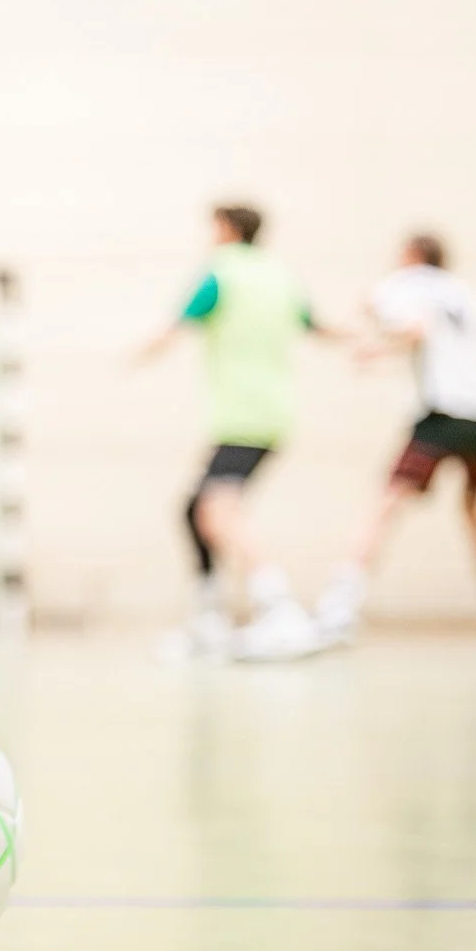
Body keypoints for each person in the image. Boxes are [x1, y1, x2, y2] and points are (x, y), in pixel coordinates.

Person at [135, 203, 327, 661]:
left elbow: (178, 323)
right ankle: (209, 619)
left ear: (227, 229)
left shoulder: (221, 272)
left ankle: (281, 610)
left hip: (244, 415)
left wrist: (140, 352)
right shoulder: (280, 275)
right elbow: (316, 325)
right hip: (268, 416)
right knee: (193, 509)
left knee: (218, 513)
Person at [314, 233, 476, 651]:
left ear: (411, 256)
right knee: (474, 509)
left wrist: (375, 342)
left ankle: (339, 607)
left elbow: (416, 329)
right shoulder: (464, 293)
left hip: (443, 414)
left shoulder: (408, 283)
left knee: (387, 502)